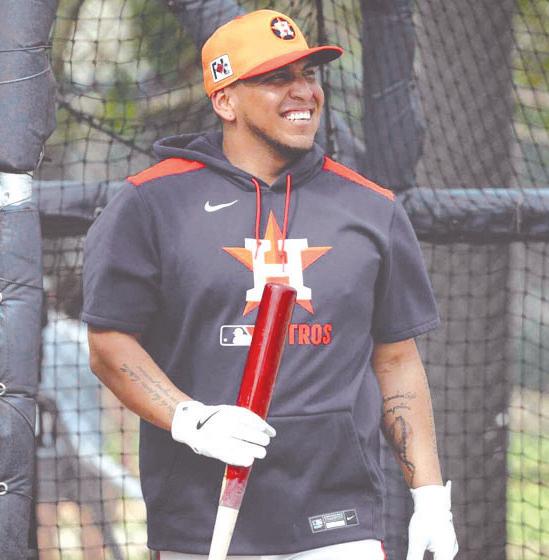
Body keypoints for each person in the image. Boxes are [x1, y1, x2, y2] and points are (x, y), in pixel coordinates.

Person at [83, 9, 458, 560]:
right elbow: (108, 344)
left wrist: (429, 498)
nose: (303, 92)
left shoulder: (372, 208)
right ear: (225, 100)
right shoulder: (150, 202)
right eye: (276, 78)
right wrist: (191, 418)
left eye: (309, 75)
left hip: (340, 521)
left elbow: (397, 359)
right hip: (200, 520)